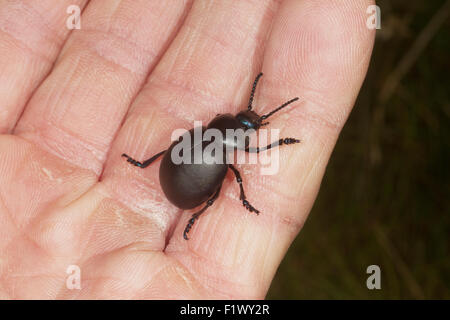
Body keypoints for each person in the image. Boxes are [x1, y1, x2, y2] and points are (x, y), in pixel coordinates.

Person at [0, 0, 375, 299]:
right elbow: (254, 154)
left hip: (178, 180)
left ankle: (164, 185)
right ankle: (195, 214)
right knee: (222, 188)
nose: (250, 120)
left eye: (251, 122)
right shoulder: (227, 143)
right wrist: (275, 144)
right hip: (182, 186)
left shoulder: (214, 129)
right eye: (251, 121)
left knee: (206, 176)